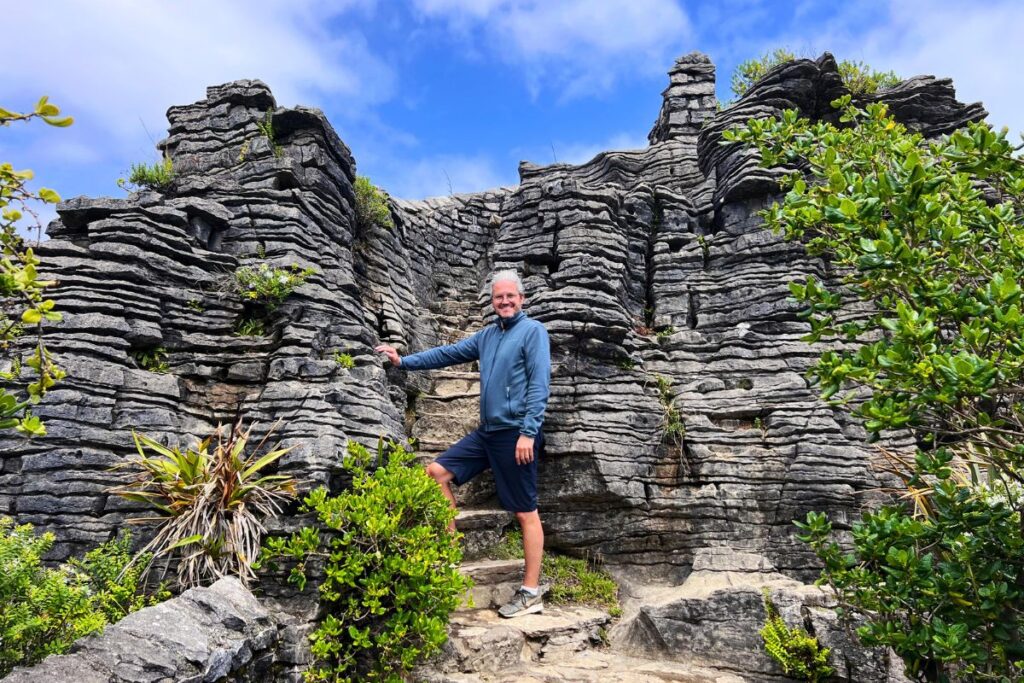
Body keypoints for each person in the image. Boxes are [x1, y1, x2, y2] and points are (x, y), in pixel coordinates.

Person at [375, 269, 551, 618]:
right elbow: (447, 353)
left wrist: (528, 432)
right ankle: (451, 547)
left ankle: (531, 591)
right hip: (487, 433)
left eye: (510, 296)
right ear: (492, 301)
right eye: (499, 297)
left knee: (525, 510)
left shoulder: (533, 332)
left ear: (521, 299)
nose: (504, 301)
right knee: (435, 472)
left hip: (516, 434)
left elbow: (539, 384)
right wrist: (402, 361)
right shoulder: (487, 336)